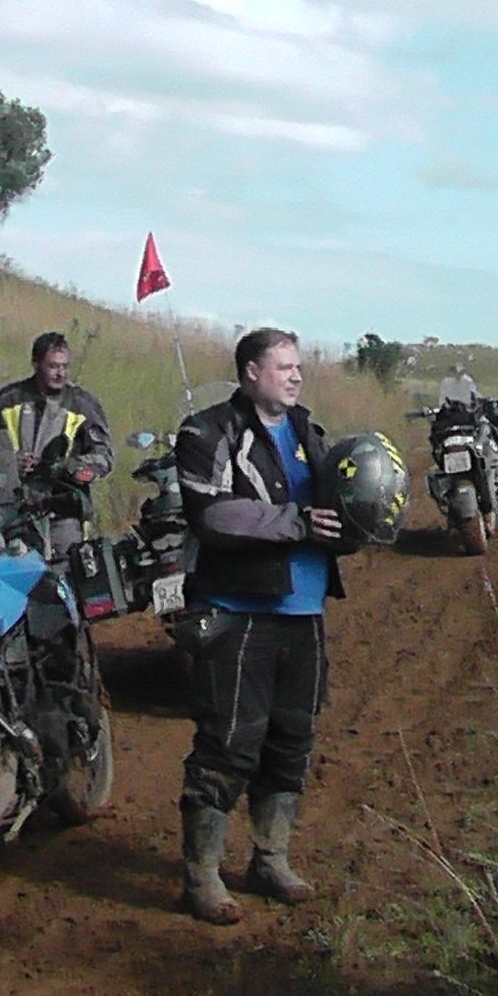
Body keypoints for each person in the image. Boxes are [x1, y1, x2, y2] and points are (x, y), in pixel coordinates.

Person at [169, 328, 354, 925]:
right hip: (238, 611)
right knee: (227, 744)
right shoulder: (207, 431)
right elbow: (213, 515)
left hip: (305, 611)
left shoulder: (309, 432)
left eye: (298, 367)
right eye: (283, 367)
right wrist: (296, 522)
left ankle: (270, 859)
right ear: (251, 372)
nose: (296, 376)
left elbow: (337, 508)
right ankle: (202, 875)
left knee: (291, 740)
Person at [0, 331, 115, 553]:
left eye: (64, 366)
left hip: (63, 508)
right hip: (13, 508)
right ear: (36, 364)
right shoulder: (7, 400)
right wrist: (11, 463)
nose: (60, 373)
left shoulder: (82, 404)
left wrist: (66, 466)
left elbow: (105, 457)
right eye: (53, 366)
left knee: (67, 565)